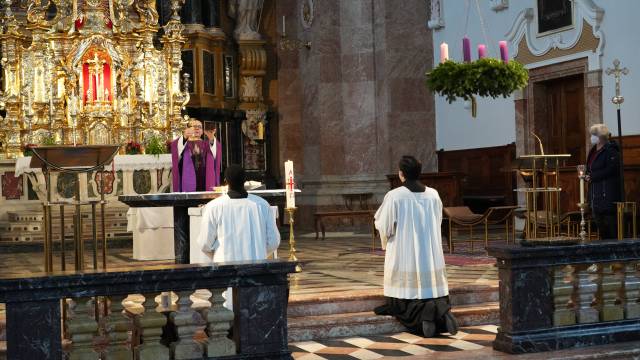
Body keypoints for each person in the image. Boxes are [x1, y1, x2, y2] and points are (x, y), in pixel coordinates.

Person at [373, 155, 458, 337]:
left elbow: (384, 224)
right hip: (429, 252)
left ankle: (425, 317)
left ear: (401, 174)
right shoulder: (433, 194)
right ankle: (443, 311)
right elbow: (437, 221)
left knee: (404, 295)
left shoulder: (395, 196)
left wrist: (382, 231)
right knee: (430, 291)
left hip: (405, 253)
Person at [197, 164, 280, 309]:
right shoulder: (261, 205)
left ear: (226, 181)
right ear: (245, 181)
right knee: (253, 311)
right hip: (255, 270)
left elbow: (205, 243)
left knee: (227, 313)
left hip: (225, 271)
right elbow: (273, 242)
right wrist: (259, 254)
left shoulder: (214, 207)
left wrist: (218, 255)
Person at [586, 123, 621, 240]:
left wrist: (593, 176)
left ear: (600, 136)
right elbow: (589, 168)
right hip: (595, 196)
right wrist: (586, 175)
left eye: (593, 135)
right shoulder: (593, 151)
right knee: (601, 229)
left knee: (610, 230)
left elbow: (611, 169)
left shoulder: (611, 151)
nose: (591, 137)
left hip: (607, 196)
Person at [170, 118, 222, 192]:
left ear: (202, 132)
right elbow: (176, 151)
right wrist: (184, 137)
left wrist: (211, 139)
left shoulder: (207, 144)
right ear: (188, 129)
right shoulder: (183, 143)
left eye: (199, 127)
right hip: (187, 177)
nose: (197, 128)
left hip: (204, 177)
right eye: (194, 126)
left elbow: (215, 155)